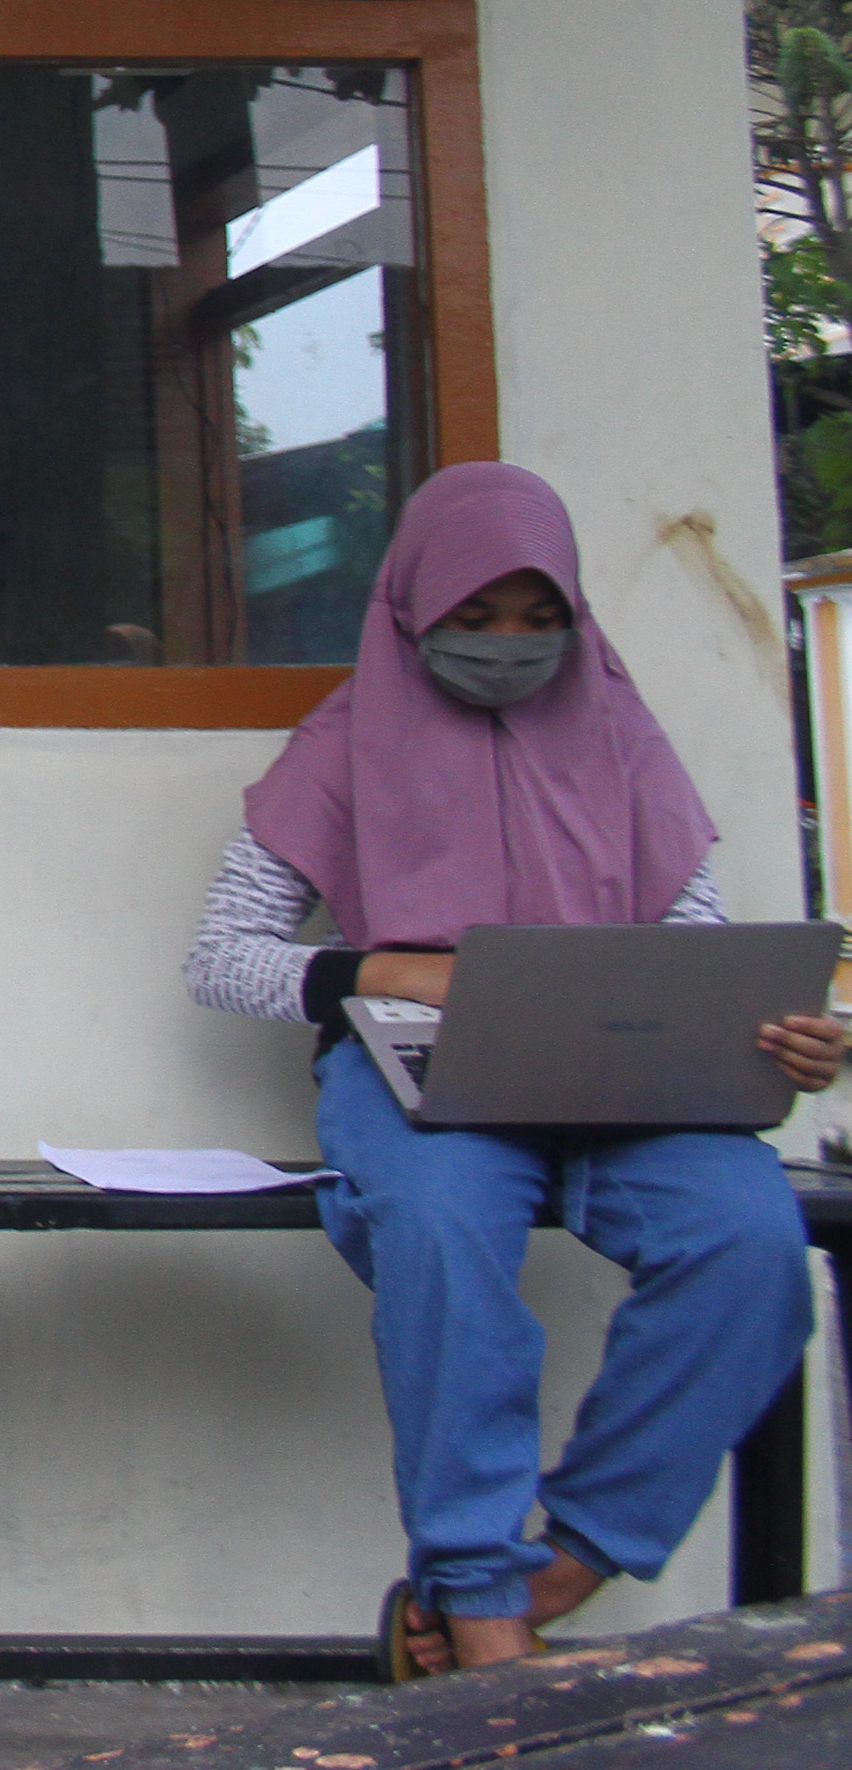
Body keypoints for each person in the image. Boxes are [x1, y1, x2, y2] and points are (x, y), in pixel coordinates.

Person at [184, 462, 845, 1675]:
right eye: (475, 620)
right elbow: (221, 960)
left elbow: (694, 942)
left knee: (753, 1251)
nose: (509, 647)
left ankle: (561, 1567)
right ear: (410, 611)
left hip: (629, 1083)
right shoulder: (340, 746)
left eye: (540, 620)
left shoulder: (624, 735)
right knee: (440, 1236)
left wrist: (775, 1036)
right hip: (425, 1084)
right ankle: (479, 1602)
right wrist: (385, 972)